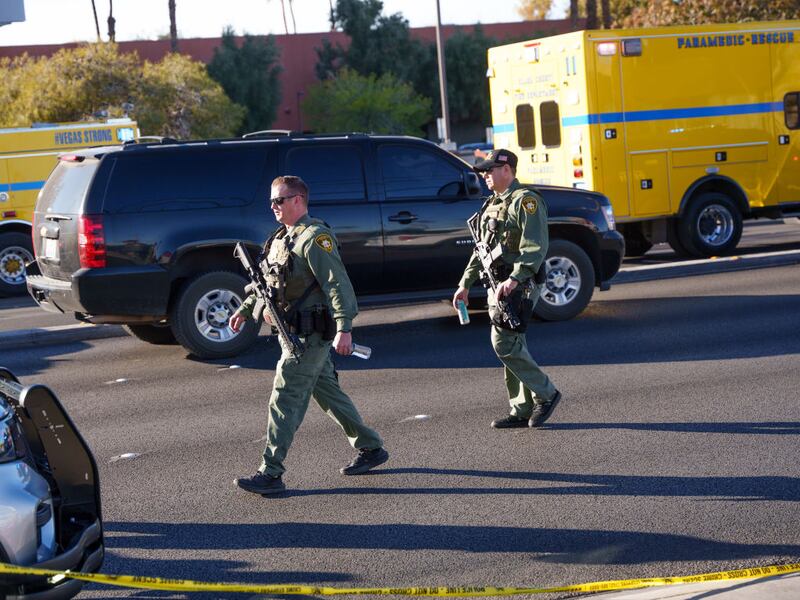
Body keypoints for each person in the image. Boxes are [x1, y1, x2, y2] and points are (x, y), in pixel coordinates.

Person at [230, 175, 388, 495]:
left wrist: (344, 327)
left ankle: (271, 471)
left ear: (299, 199)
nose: (274, 207)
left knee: (285, 396)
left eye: (280, 200)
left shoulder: (315, 238)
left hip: (309, 337)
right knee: (328, 393)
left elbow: (337, 285)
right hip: (291, 331)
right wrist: (246, 309)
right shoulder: (279, 238)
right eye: (272, 202)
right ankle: (371, 447)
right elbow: (266, 284)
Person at [452, 149, 562, 429]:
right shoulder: (492, 203)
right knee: (514, 344)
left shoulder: (526, 201)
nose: (485, 175)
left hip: (519, 284)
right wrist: (465, 283)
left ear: (507, 170)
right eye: (484, 170)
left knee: (503, 343)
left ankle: (546, 394)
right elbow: (481, 250)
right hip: (496, 284)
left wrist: (515, 278)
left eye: (490, 170)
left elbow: (535, 248)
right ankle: (521, 409)